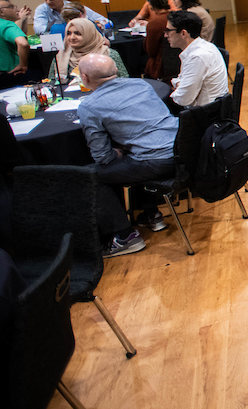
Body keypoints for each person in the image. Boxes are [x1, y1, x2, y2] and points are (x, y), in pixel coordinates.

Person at [77, 54, 179, 257]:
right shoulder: (141, 85)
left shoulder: (89, 106)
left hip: (156, 161)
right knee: (133, 157)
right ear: (116, 71)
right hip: (183, 150)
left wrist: (119, 151)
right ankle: (152, 213)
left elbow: (103, 158)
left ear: (85, 78)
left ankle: (124, 237)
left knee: (91, 175)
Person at [166, 10, 227, 107]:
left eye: (168, 31)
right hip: (211, 109)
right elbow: (181, 80)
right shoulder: (204, 46)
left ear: (183, 33)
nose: (166, 35)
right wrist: (179, 84)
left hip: (204, 115)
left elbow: (183, 100)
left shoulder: (197, 57)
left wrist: (178, 87)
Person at [0, 0, 34, 88]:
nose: (16, 10)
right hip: (12, 76)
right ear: (1, 11)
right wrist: (22, 65)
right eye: (12, 7)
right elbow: (23, 43)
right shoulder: (6, 24)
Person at [55, 18, 127, 81]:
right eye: (68, 33)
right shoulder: (61, 56)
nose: (72, 37)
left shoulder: (109, 54)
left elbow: (125, 80)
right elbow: (51, 82)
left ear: (89, 34)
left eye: (78, 33)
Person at [34, 0, 110, 35]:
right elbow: (38, 29)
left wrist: (101, 25)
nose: (48, 2)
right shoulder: (42, 9)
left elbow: (107, 21)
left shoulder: (74, 7)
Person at [142, 0, 171, 80]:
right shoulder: (177, 17)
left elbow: (151, 51)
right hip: (181, 62)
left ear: (150, 6)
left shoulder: (155, 24)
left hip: (161, 67)